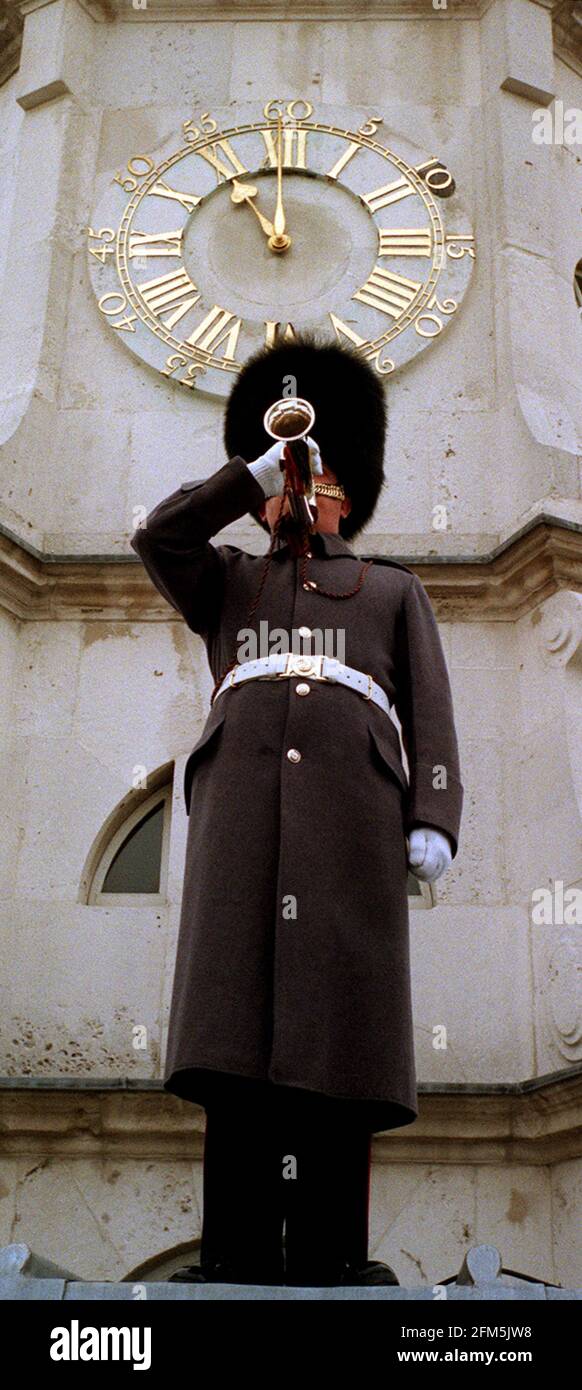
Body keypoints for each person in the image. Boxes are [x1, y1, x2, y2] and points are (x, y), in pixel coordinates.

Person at [129, 335, 464, 1287]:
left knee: (340, 1037)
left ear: (345, 494)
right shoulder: (229, 582)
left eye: (307, 482)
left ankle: (330, 1248)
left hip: (349, 826)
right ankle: (231, 1245)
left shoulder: (393, 590)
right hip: (242, 821)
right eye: (283, 485)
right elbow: (159, 537)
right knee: (235, 1041)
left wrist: (434, 813)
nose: (292, 498)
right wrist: (247, 475)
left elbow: (431, 710)